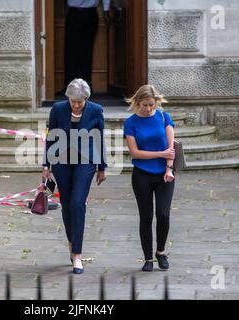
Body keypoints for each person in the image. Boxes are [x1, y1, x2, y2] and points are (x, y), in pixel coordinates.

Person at [43, 78, 107, 274]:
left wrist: (102, 166)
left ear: (86, 98)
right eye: (74, 101)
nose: (77, 105)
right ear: (68, 98)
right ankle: (72, 242)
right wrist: (46, 165)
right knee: (67, 205)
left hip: (85, 161)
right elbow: (51, 136)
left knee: (78, 202)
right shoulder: (58, 109)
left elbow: (100, 137)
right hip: (61, 161)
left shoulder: (96, 110)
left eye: (80, 101)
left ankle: (77, 255)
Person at [123, 84, 176, 272]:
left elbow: (171, 150)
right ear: (137, 103)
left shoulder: (164, 117)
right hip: (141, 175)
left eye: (152, 105)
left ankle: (160, 253)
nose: (148, 109)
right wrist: (160, 154)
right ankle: (147, 258)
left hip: (164, 174)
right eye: (145, 105)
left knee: (163, 214)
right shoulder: (130, 122)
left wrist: (168, 167)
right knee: (145, 217)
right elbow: (135, 153)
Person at [61, 0, 112, 94]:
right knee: (85, 52)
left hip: (78, 13)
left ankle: (73, 86)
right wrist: (106, 10)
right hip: (88, 13)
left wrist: (106, 10)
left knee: (72, 52)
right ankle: (84, 86)